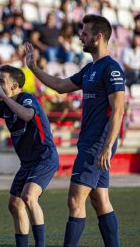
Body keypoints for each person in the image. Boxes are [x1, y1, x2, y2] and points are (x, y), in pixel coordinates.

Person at [26, 14, 125, 247]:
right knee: (100, 200)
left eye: (86, 33)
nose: (81, 36)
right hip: (91, 142)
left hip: (97, 144)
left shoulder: (111, 69)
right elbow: (61, 86)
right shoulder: (91, 68)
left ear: (98, 37)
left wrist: (107, 147)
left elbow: (118, 110)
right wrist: (33, 68)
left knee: (74, 200)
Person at [0, 65, 59, 247]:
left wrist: (4, 97)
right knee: (14, 204)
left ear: (14, 86)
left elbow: (28, 115)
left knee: (28, 197)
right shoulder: (5, 104)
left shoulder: (28, 99)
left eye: (1, 82)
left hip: (44, 157)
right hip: (27, 162)